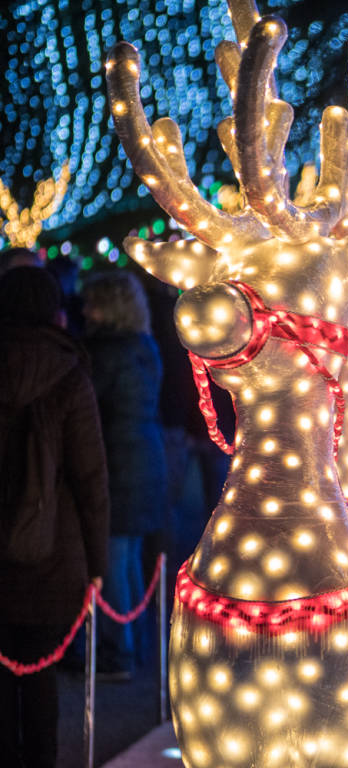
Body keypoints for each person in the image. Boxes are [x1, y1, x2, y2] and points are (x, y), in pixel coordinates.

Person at [0, 266, 109, 768]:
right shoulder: (69, 371)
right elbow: (91, 478)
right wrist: (97, 563)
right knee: (40, 677)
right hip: (52, 551)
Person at [81, 270, 168, 680]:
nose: (84, 308)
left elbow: (91, 405)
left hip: (117, 460)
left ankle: (120, 652)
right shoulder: (145, 345)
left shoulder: (105, 352)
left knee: (115, 559)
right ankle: (133, 644)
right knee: (129, 558)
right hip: (145, 455)